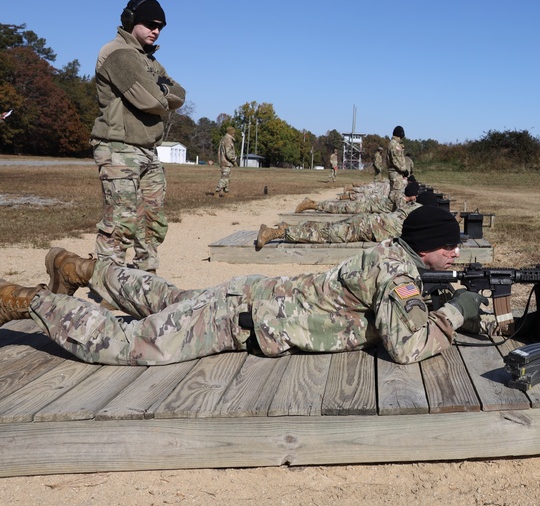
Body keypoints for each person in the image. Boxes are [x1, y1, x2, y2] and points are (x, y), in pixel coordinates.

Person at [0, 206, 488, 366]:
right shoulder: (397, 274)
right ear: (425, 246)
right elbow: (406, 348)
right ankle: (24, 301)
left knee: (168, 299)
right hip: (244, 318)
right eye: (449, 248)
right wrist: (456, 313)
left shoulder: (391, 255)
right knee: (130, 344)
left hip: (252, 297)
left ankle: (79, 269)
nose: (456, 254)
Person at [91, 0, 185, 273]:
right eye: (150, 24)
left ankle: (146, 276)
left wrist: (162, 90)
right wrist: (162, 92)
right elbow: (151, 101)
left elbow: (180, 94)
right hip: (119, 148)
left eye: (161, 27)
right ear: (130, 21)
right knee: (121, 222)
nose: (156, 30)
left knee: (152, 221)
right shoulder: (118, 53)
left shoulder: (151, 61)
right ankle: (111, 285)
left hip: (147, 149)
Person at [257, 186, 429, 249]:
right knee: (324, 235)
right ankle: (275, 233)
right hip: (364, 226)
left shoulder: (411, 209)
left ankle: (287, 227)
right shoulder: (417, 213)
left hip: (365, 221)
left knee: (327, 229)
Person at [295, 180, 417, 215]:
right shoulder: (400, 199)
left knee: (339, 207)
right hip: (364, 207)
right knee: (338, 208)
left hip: (367, 206)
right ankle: (312, 204)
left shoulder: (398, 193)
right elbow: (403, 213)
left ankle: (313, 204)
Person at [211, 127, 238, 196]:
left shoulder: (224, 138)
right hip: (226, 161)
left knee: (227, 177)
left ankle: (226, 192)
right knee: (225, 177)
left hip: (223, 161)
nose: (234, 134)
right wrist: (234, 161)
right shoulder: (228, 140)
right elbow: (228, 153)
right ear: (231, 133)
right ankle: (217, 191)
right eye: (233, 133)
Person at [387, 126, 407, 195]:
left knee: (395, 195)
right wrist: (404, 170)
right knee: (396, 194)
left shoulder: (394, 144)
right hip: (395, 174)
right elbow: (396, 160)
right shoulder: (394, 145)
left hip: (396, 173)